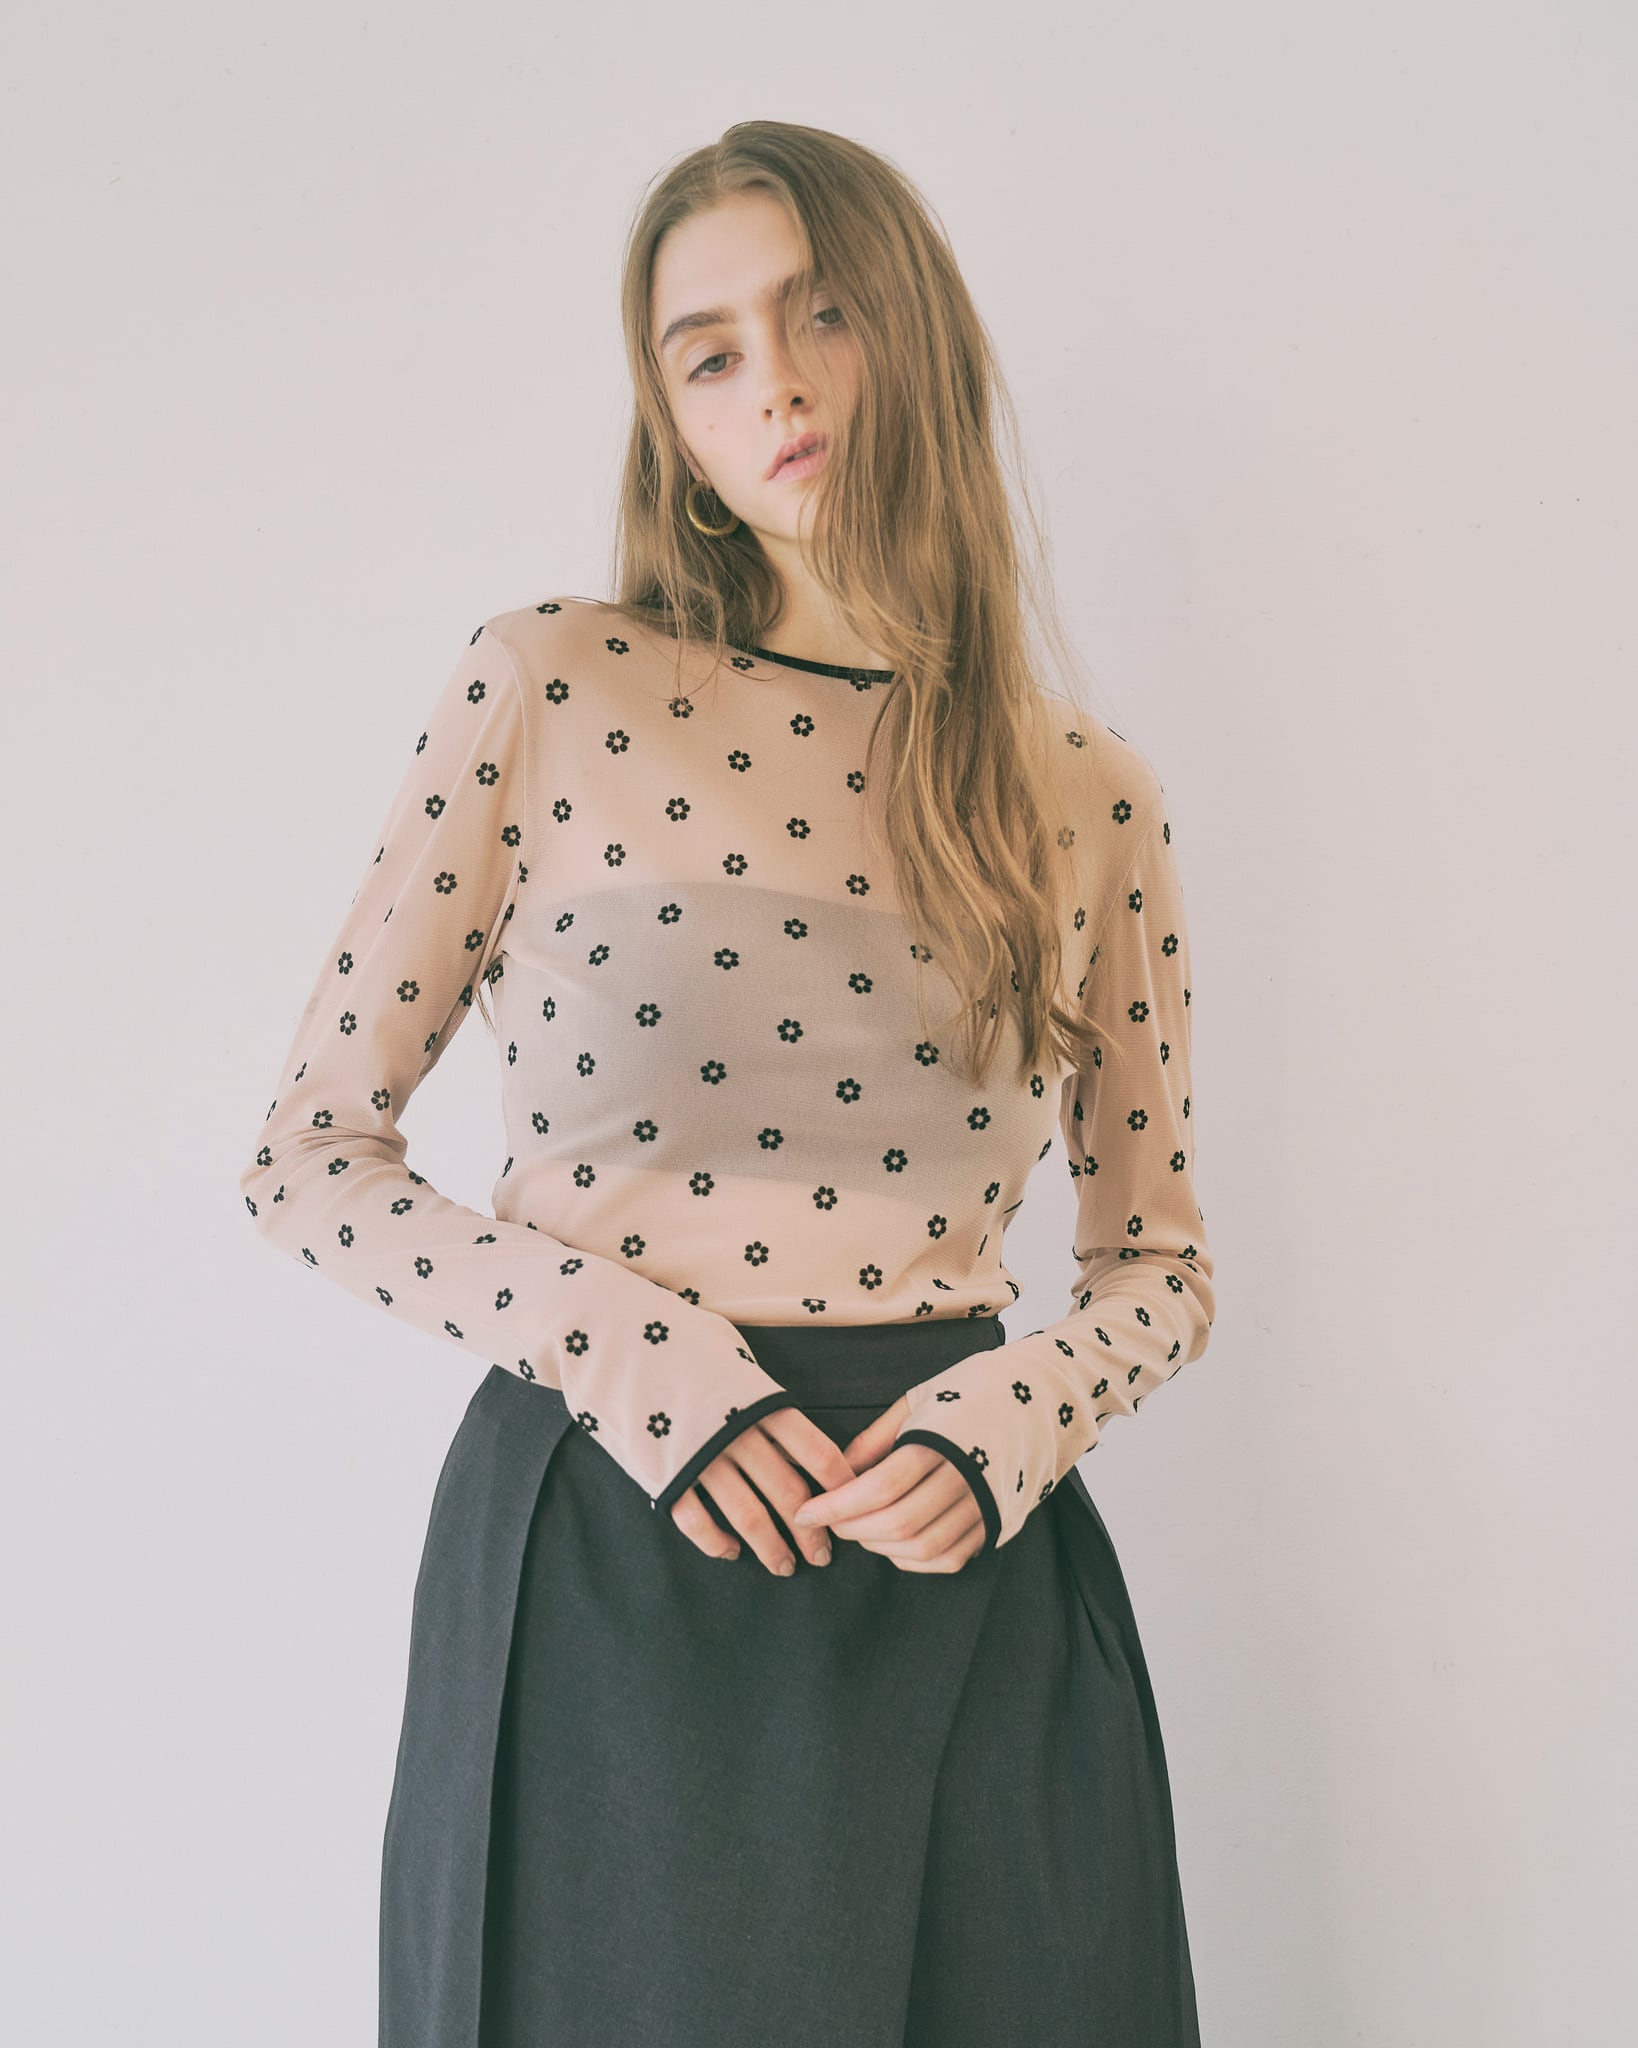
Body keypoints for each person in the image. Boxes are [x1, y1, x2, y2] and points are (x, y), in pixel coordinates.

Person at [239, 119, 1216, 2048]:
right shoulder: (549, 687)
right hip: (619, 1546)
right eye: (706, 354)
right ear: (671, 426)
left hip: (962, 1566)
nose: (772, 382)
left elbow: (1158, 1264)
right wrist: (638, 1358)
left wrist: (1011, 1417)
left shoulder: (1083, 791)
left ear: (915, 332)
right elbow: (309, 1157)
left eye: (820, 313)